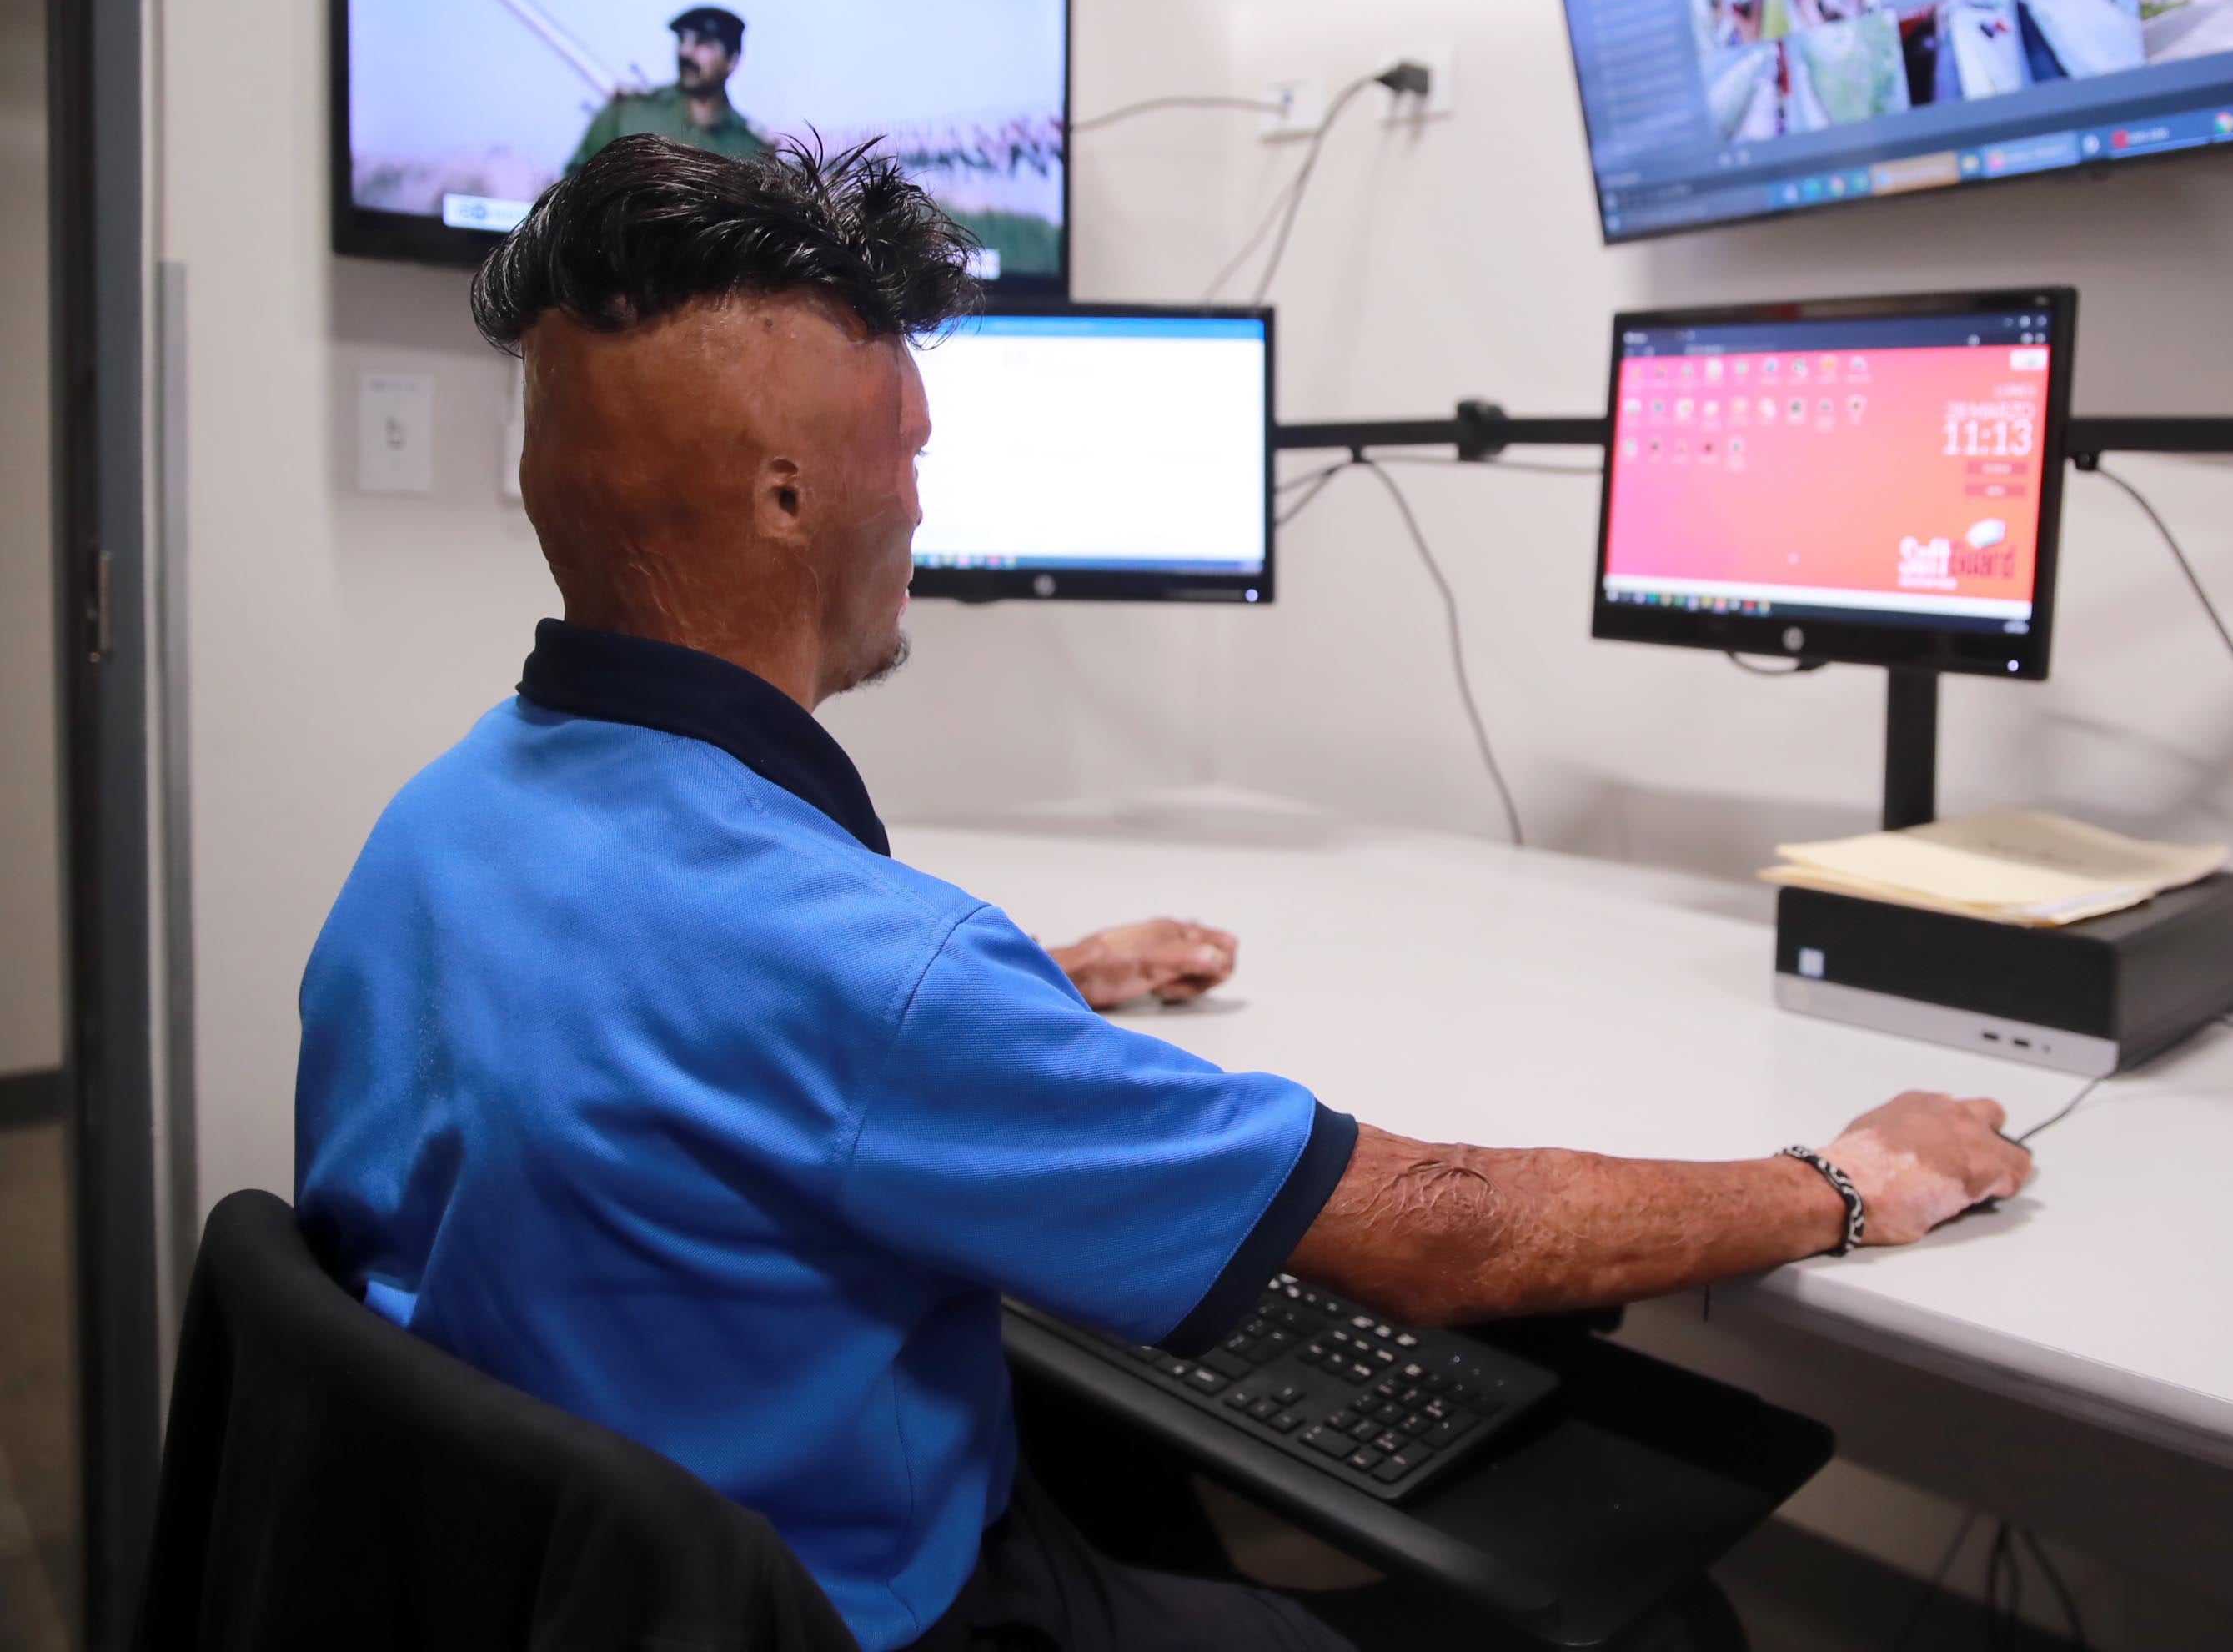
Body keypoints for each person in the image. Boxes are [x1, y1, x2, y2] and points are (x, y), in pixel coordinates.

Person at [293, 135, 2034, 1652]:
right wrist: (1843, 1180)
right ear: (786, 493)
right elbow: (1440, 1230)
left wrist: (1027, 990)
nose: (923, 503)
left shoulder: (433, 834)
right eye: (911, 448)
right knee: (1655, 1624)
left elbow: (681, 1053)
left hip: (555, 1595)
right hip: (866, 1618)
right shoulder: (875, 979)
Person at [565, 5, 772, 172]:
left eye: (703, 42)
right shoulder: (628, 113)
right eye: (682, 40)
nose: (685, 51)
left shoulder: (752, 149)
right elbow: (574, 186)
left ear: (732, 60)